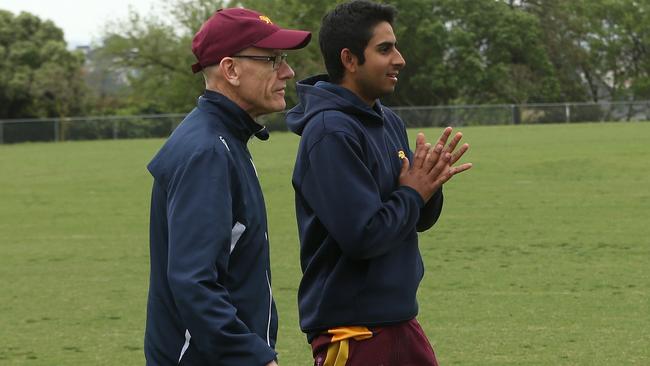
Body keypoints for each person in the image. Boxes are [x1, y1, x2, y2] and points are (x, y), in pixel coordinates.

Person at [286, 1, 472, 365]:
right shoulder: (329, 132)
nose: (399, 59)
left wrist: (429, 186)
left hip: (400, 320)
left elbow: (415, 218)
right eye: (384, 49)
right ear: (350, 59)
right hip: (354, 332)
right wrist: (413, 191)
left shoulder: (388, 121)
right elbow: (364, 235)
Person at [144, 8, 311, 366]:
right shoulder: (207, 151)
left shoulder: (223, 139)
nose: (288, 71)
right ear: (230, 70)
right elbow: (194, 283)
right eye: (272, 60)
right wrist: (253, 356)